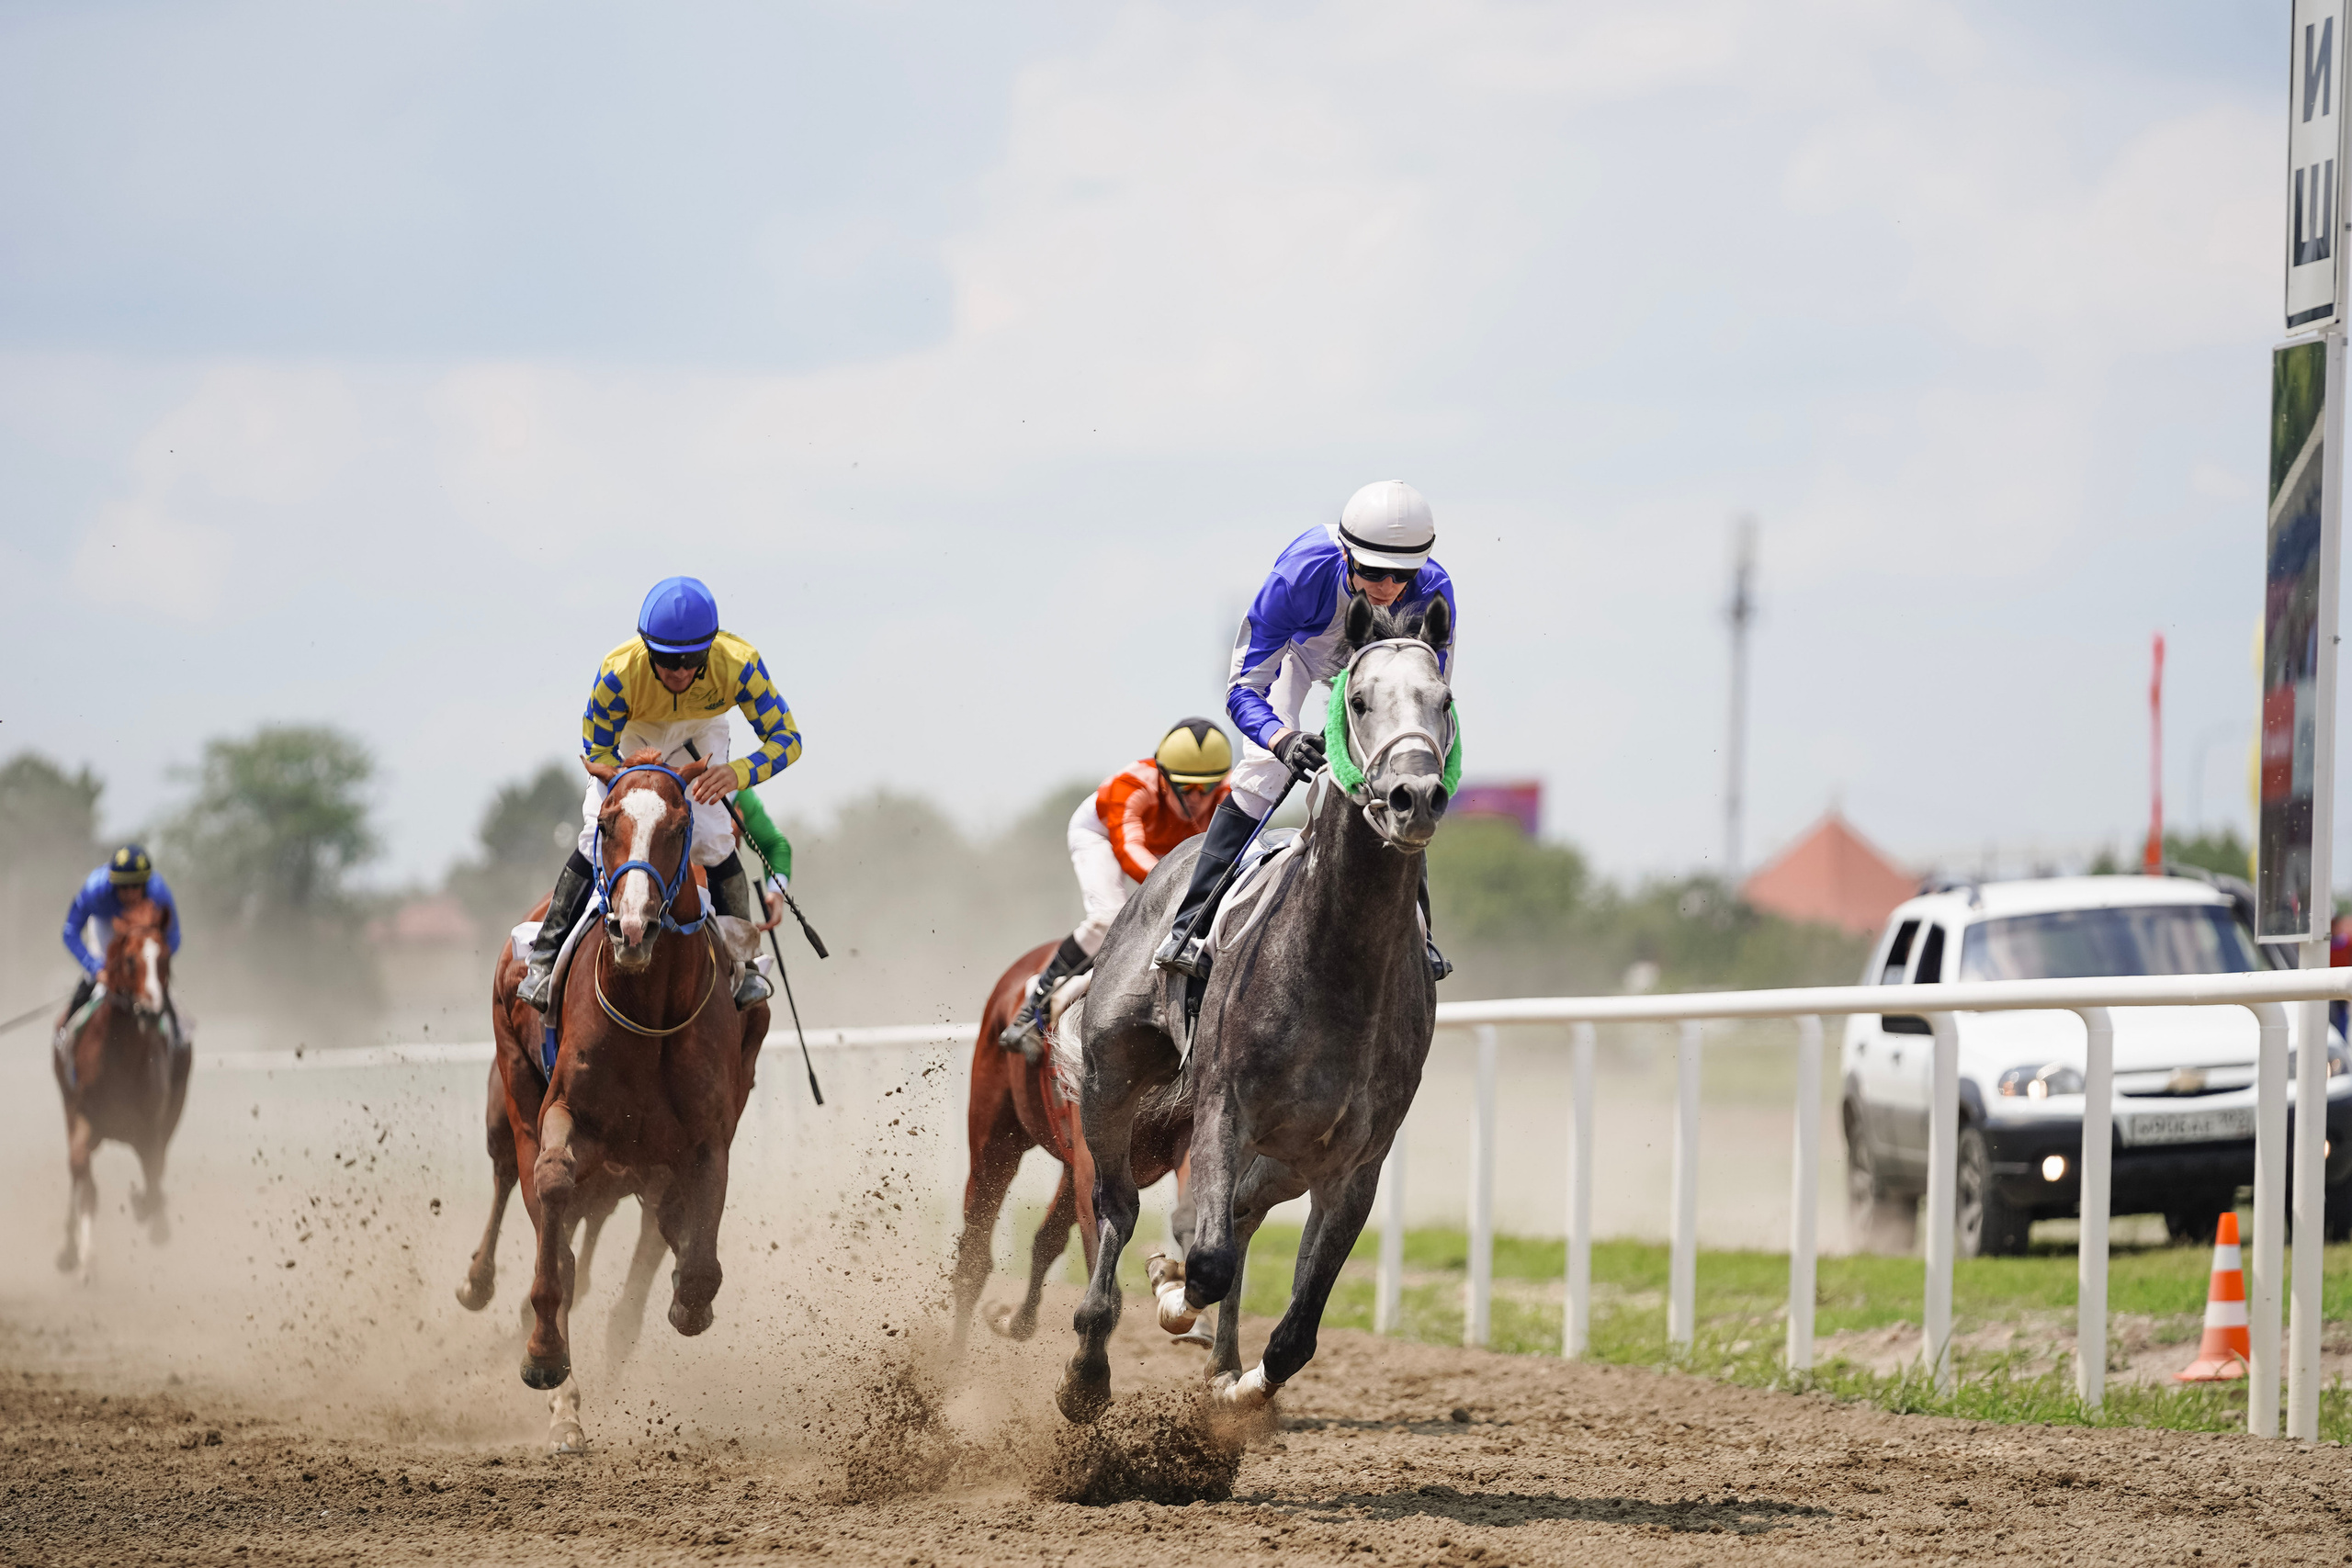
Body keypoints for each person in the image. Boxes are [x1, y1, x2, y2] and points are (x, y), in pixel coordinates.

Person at [1153, 479, 1456, 982]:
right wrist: (1283, 739)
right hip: (1298, 658)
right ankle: (1190, 924)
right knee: (1263, 773)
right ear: (1346, 553)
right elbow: (1243, 688)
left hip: (1383, 670)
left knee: (1406, 774)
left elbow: (1432, 692)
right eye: (1375, 572)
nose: (1388, 587)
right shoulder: (1298, 576)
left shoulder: (1435, 587)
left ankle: (1420, 935)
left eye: (1403, 574)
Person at [517, 576, 803, 1012]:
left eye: (693, 661)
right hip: (636, 738)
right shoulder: (617, 673)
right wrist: (632, 775)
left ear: (711, 649)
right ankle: (544, 956)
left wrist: (738, 772)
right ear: (647, 650)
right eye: (669, 661)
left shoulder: (741, 665)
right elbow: (596, 748)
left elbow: (788, 739)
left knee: (714, 840)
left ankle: (743, 966)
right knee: (596, 832)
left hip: (703, 734)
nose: (681, 673)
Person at [999, 719, 1234, 1057]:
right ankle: (1033, 1005)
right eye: (1186, 788)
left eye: (1207, 787)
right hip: (1103, 837)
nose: (1198, 799)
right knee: (1110, 916)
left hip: (1169, 850)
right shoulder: (1131, 787)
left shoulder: (1229, 793)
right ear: (1163, 776)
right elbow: (1130, 851)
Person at [58, 843, 182, 1034]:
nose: (130, 893)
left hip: (143, 931)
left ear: (146, 884)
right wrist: (95, 968)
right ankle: (67, 1031)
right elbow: (70, 932)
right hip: (105, 924)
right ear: (112, 883)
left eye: (136, 886)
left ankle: (178, 1035)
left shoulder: (159, 893)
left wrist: (154, 966)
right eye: (122, 887)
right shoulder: (94, 889)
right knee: (96, 981)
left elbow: (173, 937)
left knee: (157, 984)